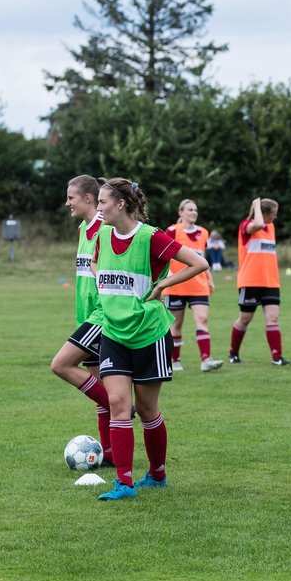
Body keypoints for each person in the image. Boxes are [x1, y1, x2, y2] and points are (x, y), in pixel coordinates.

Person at [88, 178, 209, 501]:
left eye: (102, 202)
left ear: (121, 204)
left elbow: (200, 263)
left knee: (147, 409)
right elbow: (97, 261)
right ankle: (124, 483)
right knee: (118, 403)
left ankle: (157, 473)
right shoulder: (101, 234)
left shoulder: (152, 237)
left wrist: (163, 284)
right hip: (113, 332)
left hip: (149, 334)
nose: (98, 209)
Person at [50, 175, 113, 466]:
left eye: (71, 197)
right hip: (87, 316)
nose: (67, 203)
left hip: (102, 316)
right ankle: (110, 453)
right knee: (99, 388)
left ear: (89, 198)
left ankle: (120, 404)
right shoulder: (83, 229)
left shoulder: (105, 228)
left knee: (61, 364)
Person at [229, 197, 291, 366]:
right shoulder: (246, 225)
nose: (275, 217)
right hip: (250, 282)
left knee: (273, 318)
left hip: (270, 282)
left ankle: (277, 357)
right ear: (263, 213)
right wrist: (256, 204)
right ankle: (233, 353)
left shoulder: (271, 227)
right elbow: (257, 224)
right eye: (273, 214)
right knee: (245, 318)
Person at [165, 199, 223, 374]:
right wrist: (167, 275)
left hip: (199, 284)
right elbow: (162, 254)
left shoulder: (203, 232)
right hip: (176, 284)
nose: (193, 213)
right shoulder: (172, 231)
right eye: (190, 210)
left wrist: (210, 279)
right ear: (181, 212)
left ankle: (206, 360)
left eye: (195, 210)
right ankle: (175, 361)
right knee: (176, 325)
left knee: (202, 319)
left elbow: (201, 259)